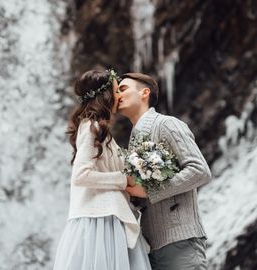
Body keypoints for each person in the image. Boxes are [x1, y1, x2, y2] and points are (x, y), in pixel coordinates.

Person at [53, 69, 151, 270]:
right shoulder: (91, 127)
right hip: (100, 221)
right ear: (105, 96)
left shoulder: (101, 130)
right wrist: (123, 180)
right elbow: (81, 175)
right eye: (116, 91)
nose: (119, 96)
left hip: (109, 216)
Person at [118, 72, 212, 270]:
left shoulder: (167, 124)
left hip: (180, 240)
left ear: (145, 93)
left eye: (123, 89)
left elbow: (200, 170)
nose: (117, 95)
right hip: (151, 246)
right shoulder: (133, 140)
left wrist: (149, 192)